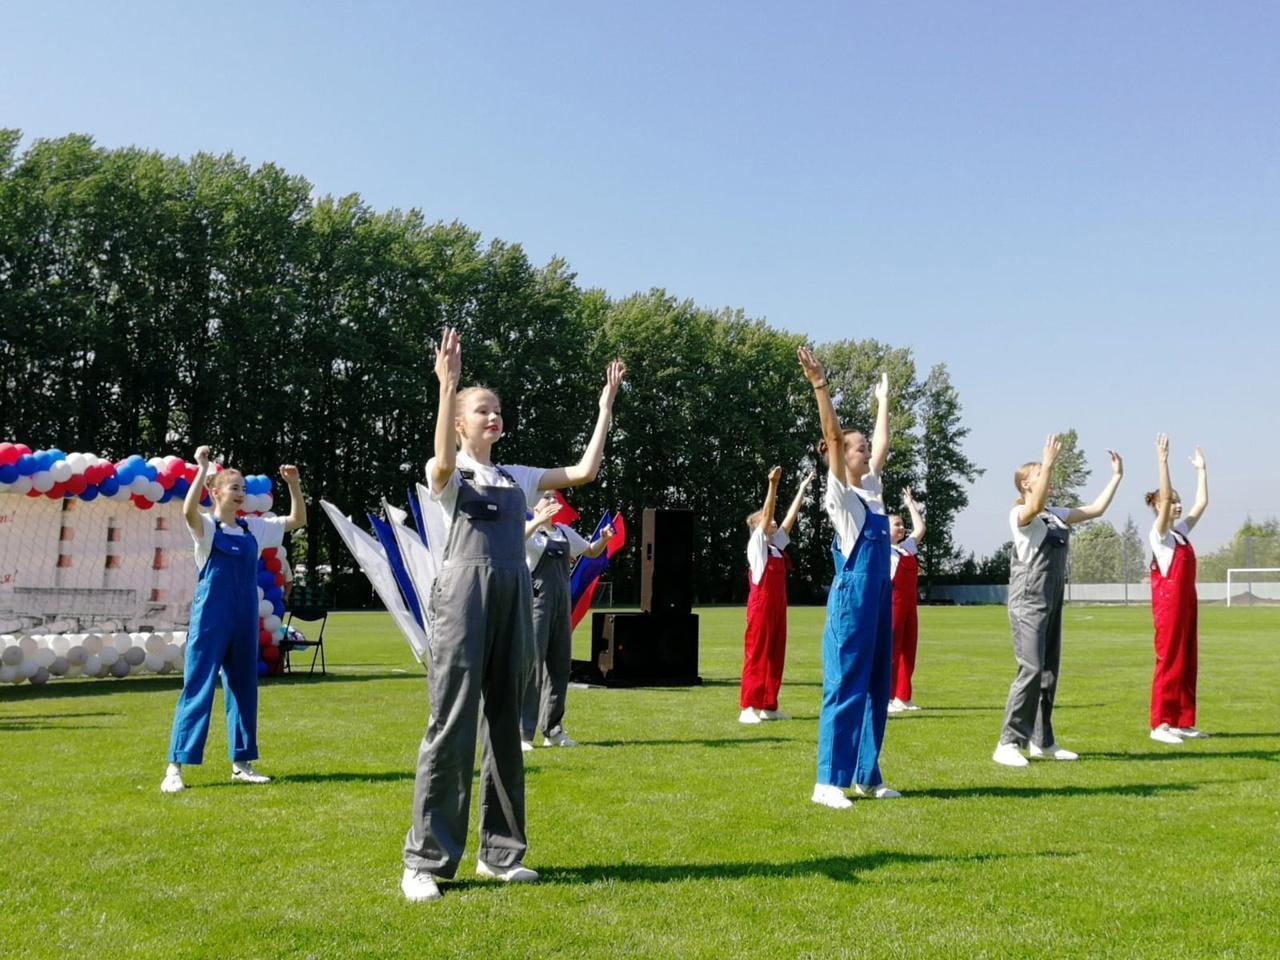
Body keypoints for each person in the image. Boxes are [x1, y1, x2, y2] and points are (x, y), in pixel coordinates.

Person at [401, 326, 625, 903]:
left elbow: (583, 473)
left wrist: (605, 408)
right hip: (461, 596)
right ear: (458, 421)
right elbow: (445, 468)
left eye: (497, 410)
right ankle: (424, 862)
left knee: (505, 725)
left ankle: (499, 855)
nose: (494, 417)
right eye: (482, 410)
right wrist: (446, 385)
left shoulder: (516, 478)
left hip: (512, 598)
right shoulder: (444, 470)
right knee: (450, 724)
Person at [160, 446, 306, 793]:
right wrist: (202, 468)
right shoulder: (207, 527)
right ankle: (174, 767)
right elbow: (187, 511)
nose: (241, 494)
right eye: (234, 488)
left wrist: (294, 486)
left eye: (243, 488)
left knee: (243, 689)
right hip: (210, 619)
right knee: (198, 688)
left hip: (243, 620)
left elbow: (296, 520)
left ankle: (242, 764)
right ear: (216, 493)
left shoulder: (254, 527)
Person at [797, 347, 900, 808]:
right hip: (852, 599)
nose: (866, 454)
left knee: (878, 684)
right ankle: (827, 782)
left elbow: (880, 445)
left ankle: (866, 775)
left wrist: (882, 403)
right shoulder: (842, 497)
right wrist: (821, 386)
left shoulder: (873, 491)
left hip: (879, 598)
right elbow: (835, 438)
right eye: (858, 450)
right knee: (845, 685)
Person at [992, 436, 1122, 767]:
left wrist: (1116, 478)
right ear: (1025, 484)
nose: (1048, 482)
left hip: (1052, 599)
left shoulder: (1056, 514)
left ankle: (1042, 741)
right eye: (1039, 476)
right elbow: (1033, 507)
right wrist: (1047, 461)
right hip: (1028, 600)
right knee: (1031, 668)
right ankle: (1008, 742)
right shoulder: (1021, 513)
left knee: (1049, 671)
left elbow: (1095, 509)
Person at [521, 491, 614, 750]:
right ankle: (523, 733)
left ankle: (553, 730)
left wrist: (604, 539)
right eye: (546, 498)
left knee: (560, 668)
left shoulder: (563, 532)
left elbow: (591, 552)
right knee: (532, 669)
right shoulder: (528, 531)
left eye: (554, 499)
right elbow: (513, 543)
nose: (552, 502)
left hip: (562, 608)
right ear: (534, 505)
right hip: (536, 607)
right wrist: (537, 522)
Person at [1146, 434, 1209, 744]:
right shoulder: (1160, 536)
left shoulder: (1181, 533)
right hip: (1168, 607)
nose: (1177, 504)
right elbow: (1167, 495)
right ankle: (1160, 724)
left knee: (1187, 660)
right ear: (1160, 506)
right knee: (1168, 661)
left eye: (1177, 501)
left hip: (1187, 604)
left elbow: (1201, 503)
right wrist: (1163, 461)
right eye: (1171, 502)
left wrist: (1201, 470)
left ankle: (1182, 720)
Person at [739, 466, 813, 724]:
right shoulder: (757, 545)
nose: (773, 521)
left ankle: (769, 705)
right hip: (760, 607)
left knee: (775, 655)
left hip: (778, 608)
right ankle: (748, 706)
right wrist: (773, 484)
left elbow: (789, 520)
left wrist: (802, 490)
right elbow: (769, 511)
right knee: (757, 654)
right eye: (767, 519)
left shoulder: (776, 547)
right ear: (758, 526)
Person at [887, 487, 925, 713]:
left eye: (902, 524)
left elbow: (920, 528)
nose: (902, 528)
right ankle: (887, 697)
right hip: (892, 606)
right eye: (896, 524)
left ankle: (903, 696)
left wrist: (910, 504)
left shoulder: (906, 550)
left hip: (910, 607)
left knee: (908, 650)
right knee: (890, 652)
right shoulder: (883, 551)